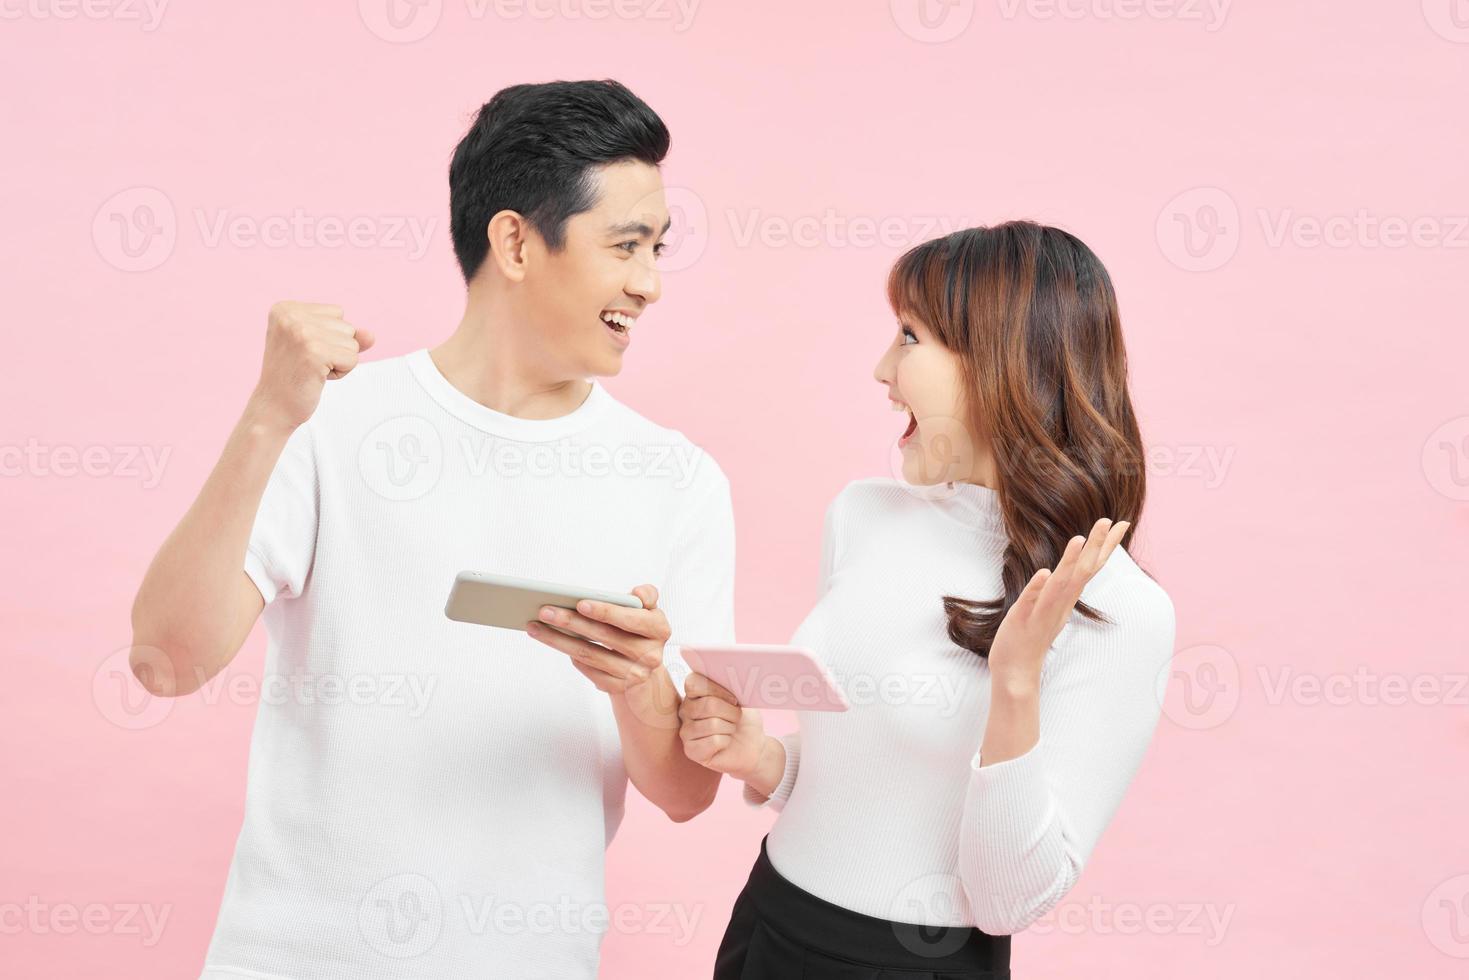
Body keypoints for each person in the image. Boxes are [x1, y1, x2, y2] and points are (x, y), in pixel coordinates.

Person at [128, 79, 735, 979]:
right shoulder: (327, 421)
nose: (648, 284)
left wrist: (637, 685)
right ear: (516, 242)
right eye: (626, 246)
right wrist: (266, 419)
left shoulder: (675, 479)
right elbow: (165, 661)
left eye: (658, 250)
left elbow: (686, 792)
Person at [679, 221, 1177, 979]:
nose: (882, 369)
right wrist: (759, 758)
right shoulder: (862, 515)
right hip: (769, 923)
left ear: (999, 360)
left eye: (909, 338)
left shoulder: (1119, 612)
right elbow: (873, 764)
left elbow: (1007, 901)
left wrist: (1013, 684)